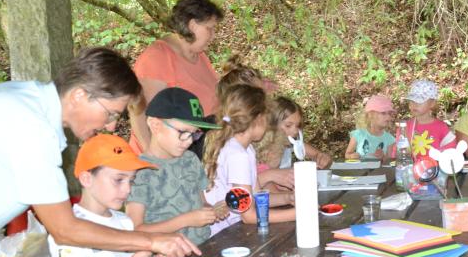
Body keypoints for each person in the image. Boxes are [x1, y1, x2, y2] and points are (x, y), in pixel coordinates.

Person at [0, 47, 198, 257]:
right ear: (79, 95)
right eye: (111, 113)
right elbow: (65, 230)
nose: (112, 125)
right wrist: (151, 241)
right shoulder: (33, 129)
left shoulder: (26, 100)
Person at [48, 135, 161, 257]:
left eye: (131, 181)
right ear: (86, 178)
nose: (127, 189)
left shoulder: (124, 221)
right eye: (118, 180)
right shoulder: (68, 229)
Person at [125, 88, 227, 246]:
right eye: (183, 132)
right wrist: (187, 220)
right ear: (155, 125)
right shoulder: (140, 171)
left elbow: (201, 203)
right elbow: (135, 230)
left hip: (204, 246)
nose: (189, 141)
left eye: (194, 133)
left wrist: (211, 212)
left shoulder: (191, 159)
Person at [130, 0, 225, 154]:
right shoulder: (157, 58)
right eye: (210, 28)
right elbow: (140, 115)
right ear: (192, 25)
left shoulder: (199, 56)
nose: (214, 35)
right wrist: (154, 158)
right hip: (168, 158)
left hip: (195, 150)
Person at [204, 84, 295, 234]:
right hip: (225, 234)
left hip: (235, 228)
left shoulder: (246, 148)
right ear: (258, 119)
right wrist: (296, 214)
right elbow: (249, 216)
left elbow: (257, 198)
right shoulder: (237, 155)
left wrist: (288, 198)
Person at [257, 96, 332, 191]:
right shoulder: (262, 151)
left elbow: (319, 155)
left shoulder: (292, 143)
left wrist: (324, 159)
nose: (295, 131)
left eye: (298, 126)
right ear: (271, 124)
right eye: (288, 125)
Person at [401, 79, 456, 157]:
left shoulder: (441, 127)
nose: (415, 104)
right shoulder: (405, 127)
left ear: (432, 103)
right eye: (412, 101)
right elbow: (398, 153)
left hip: (435, 168)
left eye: (419, 101)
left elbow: (451, 151)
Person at [345, 95, 396, 163]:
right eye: (383, 113)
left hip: (380, 172)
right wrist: (352, 156)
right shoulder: (359, 134)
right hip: (360, 172)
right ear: (370, 115)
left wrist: (383, 157)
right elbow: (347, 154)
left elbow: (390, 162)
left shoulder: (390, 139)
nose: (388, 117)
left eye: (389, 114)